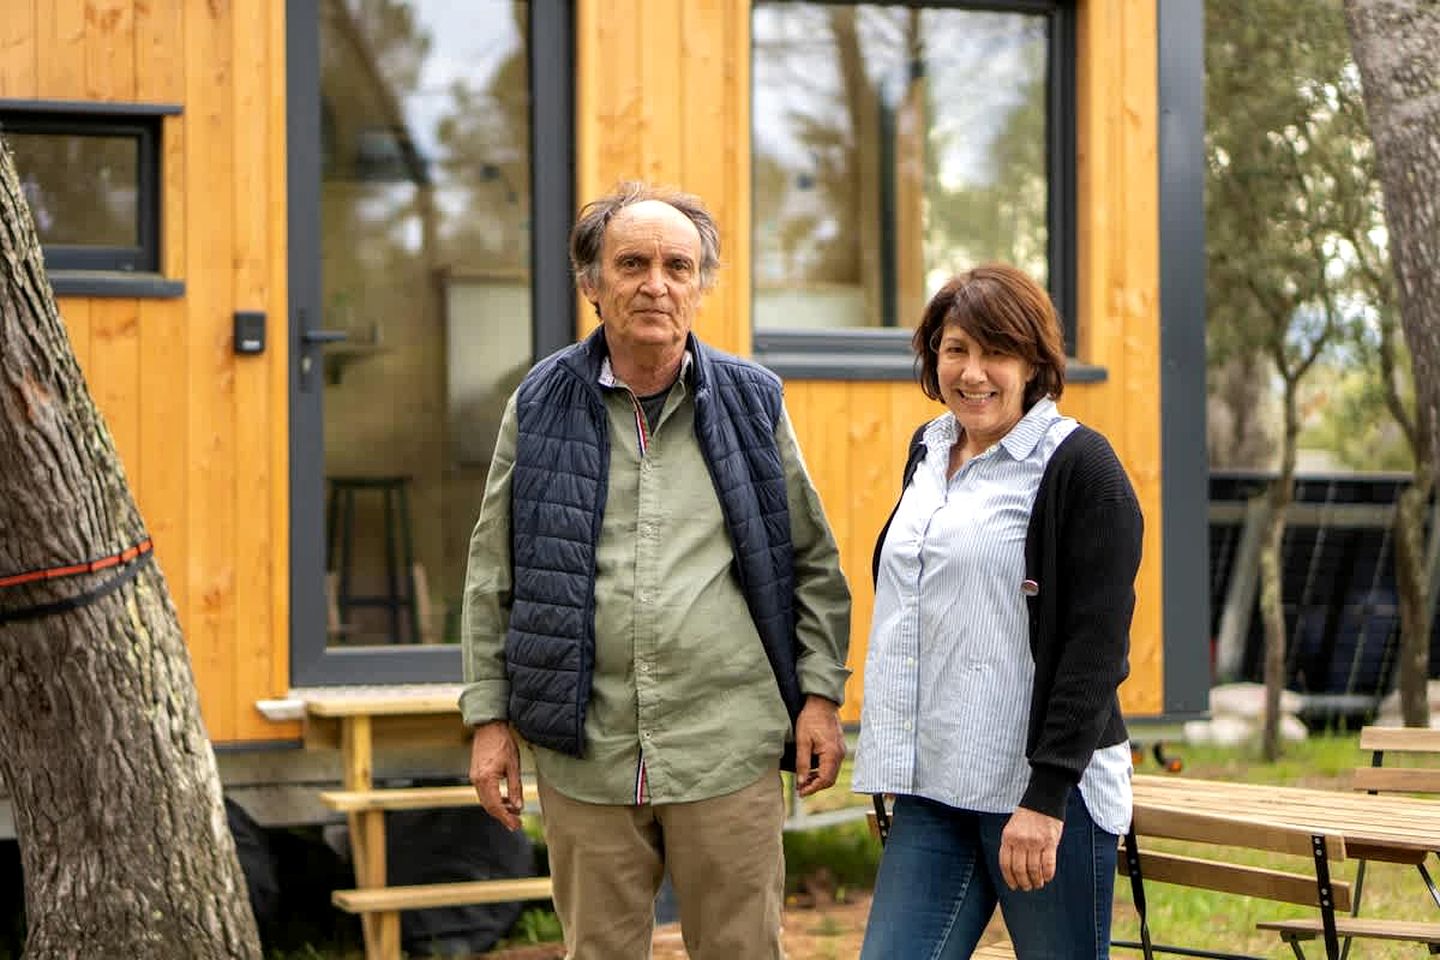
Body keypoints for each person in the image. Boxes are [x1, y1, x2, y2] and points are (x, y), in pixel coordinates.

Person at [459, 181, 852, 960]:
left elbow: (811, 560)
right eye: (631, 262)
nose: (656, 284)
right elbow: (490, 571)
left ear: (702, 285)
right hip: (585, 749)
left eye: (678, 265)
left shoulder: (753, 401)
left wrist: (820, 698)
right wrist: (487, 718)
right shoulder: (539, 404)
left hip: (726, 743)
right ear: (592, 284)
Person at [853, 264, 1143, 959]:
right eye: (956, 349)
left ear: (1034, 362)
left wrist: (1045, 800)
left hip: (1042, 795)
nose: (973, 372)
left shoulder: (1079, 467)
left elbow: (1094, 651)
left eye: (996, 352)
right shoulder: (928, 450)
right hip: (935, 789)